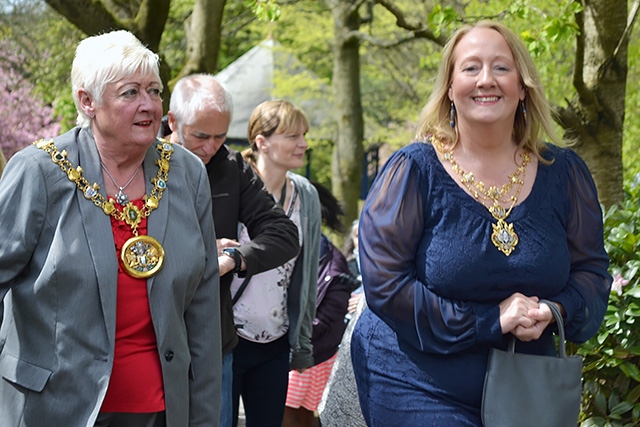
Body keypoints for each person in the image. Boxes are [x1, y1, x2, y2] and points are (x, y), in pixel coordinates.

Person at [351, 20, 612, 426]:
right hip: (416, 376)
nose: (486, 80)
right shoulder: (414, 170)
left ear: (523, 87)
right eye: (470, 68)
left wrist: (554, 308)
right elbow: (385, 284)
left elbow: (592, 272)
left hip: (523, 383)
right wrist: (491, 320)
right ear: (450, 89)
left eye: (501, 68)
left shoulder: (564, 172)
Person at [0, 30, 221, 426]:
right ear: (88, 102)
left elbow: (203, 304)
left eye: (154, 91)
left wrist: (203, 417)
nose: (149, 105)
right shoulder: (38, 171)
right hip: (52, 409)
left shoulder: (187, 173)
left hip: (158, 409)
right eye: (130, 92)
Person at [164, 73, 300, 427]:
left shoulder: (232, 167)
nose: (211, 147)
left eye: (221, 136)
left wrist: (235, 259)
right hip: (156, 334)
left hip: (214, 340)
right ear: (173, 122)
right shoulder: (145, 164)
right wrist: (203, 250)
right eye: (201, 136)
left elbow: (284, 234)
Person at [231, 100, 321, 427]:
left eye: (304, 135)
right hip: (228, 339)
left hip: (275, 340)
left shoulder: (306, 194)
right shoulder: (233, 187)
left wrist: (302, 342)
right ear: (261, 142)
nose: (303, 144)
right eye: (292, 136)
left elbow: (307, 273)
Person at [283, 182, 354, 427]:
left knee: (292, 412)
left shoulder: (332, 261)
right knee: (299, 413)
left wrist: (294, 334)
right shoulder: (287, 245)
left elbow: (331, 312)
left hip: (311, 350)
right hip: (299, 345)